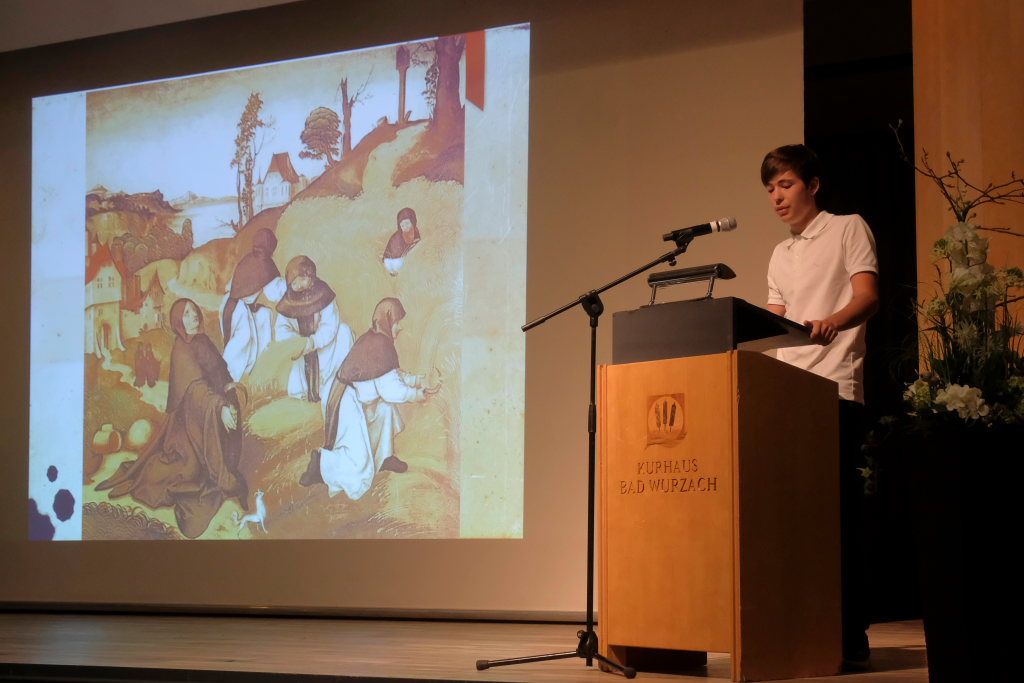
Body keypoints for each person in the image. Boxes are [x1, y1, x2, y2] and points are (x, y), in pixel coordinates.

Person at [761, 144, 879, 670]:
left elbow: (868, 295)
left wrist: (832, 320)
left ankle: (850, 638)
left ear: (812, 185)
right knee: (795, 521)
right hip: (789, 395)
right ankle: (799, 631)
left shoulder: (847, 228)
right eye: (770, 189)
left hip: (834, 390)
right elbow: (773, 320)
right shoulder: (779, 254)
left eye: (785, 184)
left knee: (839, 520)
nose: (776, 197)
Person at [96, 299, 248, 539]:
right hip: (189, 428)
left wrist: (229, 391)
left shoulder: (203, 341)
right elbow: (196, 391)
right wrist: (219, 408)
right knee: (184, 472)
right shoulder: (181, 349)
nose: (193, 317)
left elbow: (220, 374)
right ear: (178, 321)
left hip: (211, 414)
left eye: (194, 311)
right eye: (186, 314)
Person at [316, 297, 439, 499]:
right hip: (348, 403)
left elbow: (391, 374)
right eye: (397, 322)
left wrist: (417, 380)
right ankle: (320, 466)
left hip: (361, 400)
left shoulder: (377, 339)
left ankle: (385, 458)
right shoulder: (379, 344)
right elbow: (391, 390)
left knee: (385, 410)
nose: (400, 328)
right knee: (357, 464)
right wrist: (417, 395)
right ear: (388, 320)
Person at [275, 255, 354, 486]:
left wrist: (313, 342)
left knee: (345, 332)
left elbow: (330, 326)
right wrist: (297, 343)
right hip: (302, 355)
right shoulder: (287, 304)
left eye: (303, 278)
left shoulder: (324, 295)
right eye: (295, 281)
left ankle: (337, 385)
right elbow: (281, 330)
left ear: (311, 276)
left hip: (326, 351)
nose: (300, 285)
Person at [221, 229, 286, 382]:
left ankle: (257, 371)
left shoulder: (248, 259)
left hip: (229, 304)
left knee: (264, 316)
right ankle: (227, 380)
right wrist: (289, 285)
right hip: (238, 309)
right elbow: (274, 294)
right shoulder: (266, 264)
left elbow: (229, 286)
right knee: (240, 345)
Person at [382, 207, 421, 275]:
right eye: (402, 225)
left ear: (413, 222)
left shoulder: (415, 232)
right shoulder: (397, 239)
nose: (405, 227)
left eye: (407, 223)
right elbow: (394, 255)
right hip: (392, 261)